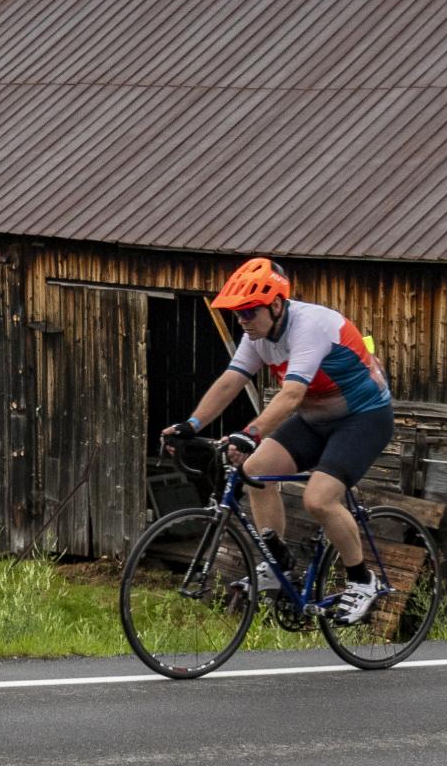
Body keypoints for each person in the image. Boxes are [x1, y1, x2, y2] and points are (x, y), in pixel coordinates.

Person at [162, 257, 394, 625]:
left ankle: (362, 580)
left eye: (249, 312)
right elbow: (230, 381)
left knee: (318, 499)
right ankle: (278, 563)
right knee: (254, 471)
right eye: (237, 314)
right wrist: (190, 424)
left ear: (276, 304)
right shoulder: (257, 334)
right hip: (316, 420)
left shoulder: (310, 326)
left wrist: (250, 432)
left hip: (362, 419)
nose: (243, 320)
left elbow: (290, 396)